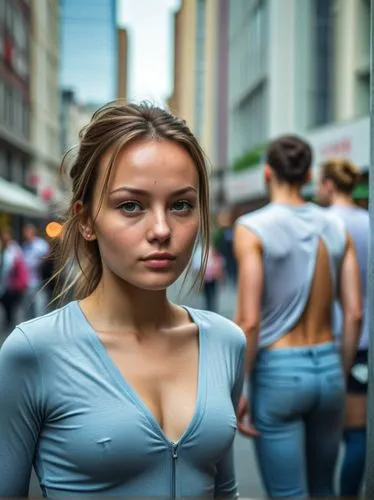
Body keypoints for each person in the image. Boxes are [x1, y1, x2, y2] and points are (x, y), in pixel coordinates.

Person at [0, 101, 246, 498]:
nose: (162, 230)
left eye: (181, 205)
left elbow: (225, 489)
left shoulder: (225, 341)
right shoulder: (33, 351)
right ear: (85, 220)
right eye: (131, 205)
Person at [234, 135, 362, 498]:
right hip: (328, 365)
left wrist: (239, 385)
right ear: (308, 175)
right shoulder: (338, 227)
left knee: (288, 494)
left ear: (267, 172)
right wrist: (339, 367)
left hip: (278, 372)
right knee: (324, 489)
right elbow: (353, 312)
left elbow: (249, 319)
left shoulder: (252, 227)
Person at [317, 158, 369, 497]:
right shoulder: (368, 220)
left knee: (327, 436)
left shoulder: (321, 224)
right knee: (357, 431)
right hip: (365, 340)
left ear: (329, 185)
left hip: (326, 340)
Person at [0, 227, 29, 331]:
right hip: (3, 283)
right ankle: (8, 322)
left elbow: (19, 265)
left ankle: (11, 324)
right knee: (5, 305)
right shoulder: (1, 248)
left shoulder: (14, 248)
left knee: (11, 306)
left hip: (12, 284)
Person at [22, 223, 50, 319]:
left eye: (28, 231)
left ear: (33, 232)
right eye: (25, 232)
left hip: (39, 280)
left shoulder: (41, 244)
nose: (26, 234)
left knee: (39, 305)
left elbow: (47, 258)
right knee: (28, 305)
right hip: (27, 281)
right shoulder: (25, 246)